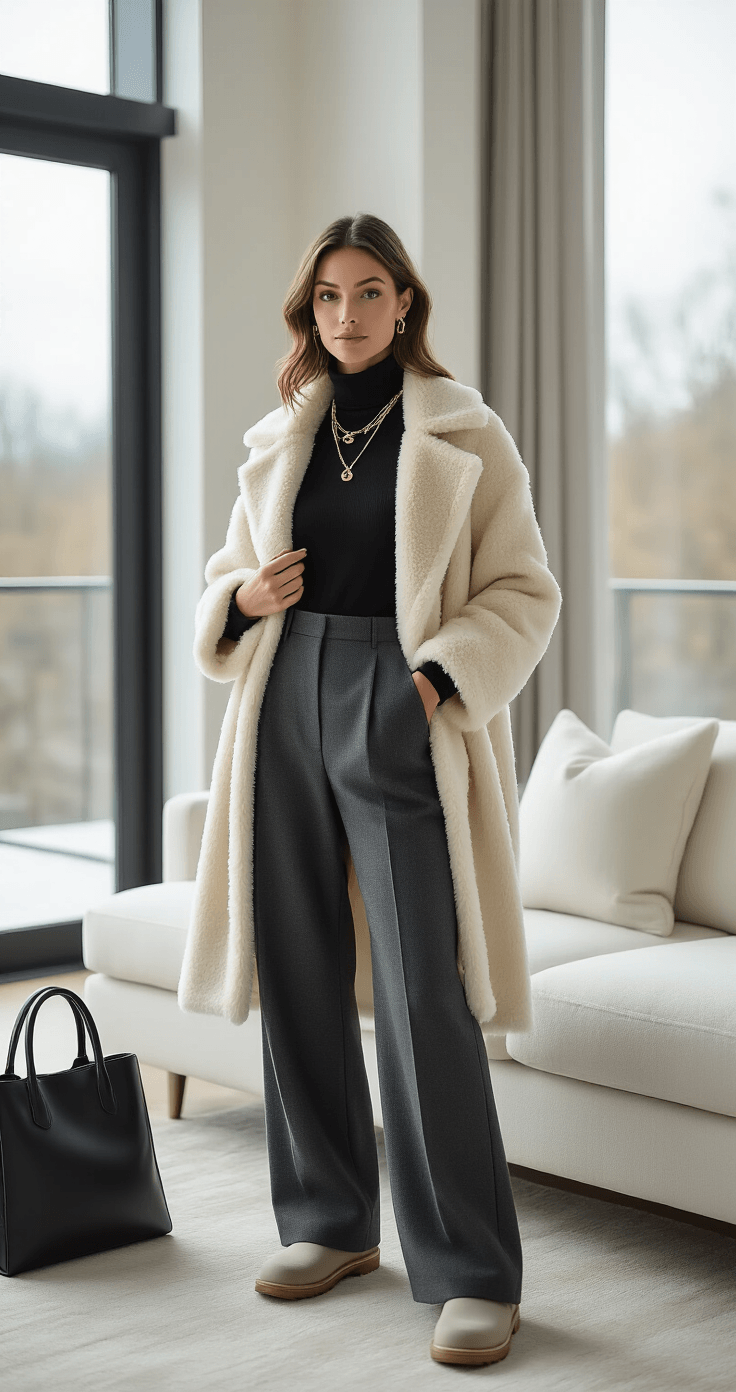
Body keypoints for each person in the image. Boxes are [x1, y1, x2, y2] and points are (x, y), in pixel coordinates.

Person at [177, 212, 562, 1367]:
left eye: (369, 293)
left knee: (420, 991)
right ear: (311, 312)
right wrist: (239, 603)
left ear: (406, 304)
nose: (347, 315)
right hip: (281, 699)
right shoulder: (279, 435)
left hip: (400, 707)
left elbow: (523, 591)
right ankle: (329, 1222)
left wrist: (436, 681)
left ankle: (470, 1270)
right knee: (295, 963)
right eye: (328, 298)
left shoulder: (464, 433)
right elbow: (225, 574)